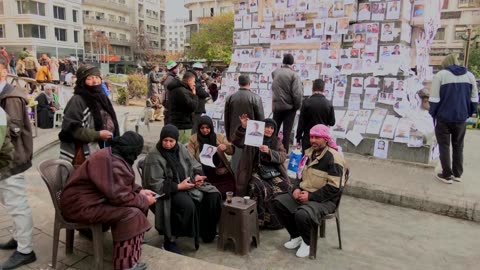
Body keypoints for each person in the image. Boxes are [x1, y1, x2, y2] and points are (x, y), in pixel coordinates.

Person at [60, 131, 154, 270]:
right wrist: (144, 200)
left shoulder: (111, 153)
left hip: (84, 200)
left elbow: (120, 184)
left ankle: (132, 248)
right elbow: (120, 197)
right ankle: (125, 265)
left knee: (135, 208)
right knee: (131, 214)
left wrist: (139, 191)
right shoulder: (113, 162)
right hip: (81, 206)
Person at [143, 125, 222, 254]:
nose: (168, 144)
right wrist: (179, 186)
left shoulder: (180, 148)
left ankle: (205, 232)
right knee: (187, 206)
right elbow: (155, 185)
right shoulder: (153, 155)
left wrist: (196, 176)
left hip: (187, 183)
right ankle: (170, 240)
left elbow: (194, 163)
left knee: (213, 195)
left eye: (171, 141)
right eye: (165, 140)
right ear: (161, 139)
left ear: (176, 140)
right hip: (168, 192)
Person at [272, 124, 347, 258]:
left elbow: (334, 188)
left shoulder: (334, 159)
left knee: (302, 214)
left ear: (326, 139)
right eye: (311, 137)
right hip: (304, 193)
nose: (313, 140)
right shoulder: (308, 154)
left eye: (317, 137)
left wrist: (311, 196)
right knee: (278, 202)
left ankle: (307, 243)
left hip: (325, 200)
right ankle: (296, 236)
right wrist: (296, 189)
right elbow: (299, 176)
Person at [0, 61, 37, 269]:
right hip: (7, 158)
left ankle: (25, 250)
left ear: (5, 72)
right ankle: (18, 238)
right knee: (10, 202)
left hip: (12, 159)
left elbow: (11, 130)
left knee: (17, 204)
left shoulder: (11, 97)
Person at [232, 115, 290, 229]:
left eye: (272, 128)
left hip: (272, 171)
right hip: (254, 171)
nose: (269, 130)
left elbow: (283, 156)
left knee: (285, 185)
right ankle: (259, 220)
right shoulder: (252, 138)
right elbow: (237, 141)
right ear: (261, 128)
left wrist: (269, 152)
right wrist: (244, 128)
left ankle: (277, 220)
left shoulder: (276, 141)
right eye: (267, 127)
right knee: (260, 188)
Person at [429, 54, 478, 183]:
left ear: (445, 63)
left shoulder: (440, 76)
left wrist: (433, 114)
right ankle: (457, 174)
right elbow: (474, 98)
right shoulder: (470, 76)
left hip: (443, 118)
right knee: (458, 145)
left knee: (444, 145)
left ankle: (447, 174)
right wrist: (469, 113)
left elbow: (434, 99)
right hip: (461, 118)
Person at [58, 65, 119, 167]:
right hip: (85, 155)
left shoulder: (102, 97)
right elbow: (71, 130)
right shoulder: (77, 100)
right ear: (82, 82)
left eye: (97, 77)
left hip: (105, 148)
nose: (95, 81)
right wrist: (97, 135)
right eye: (89, 79)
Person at [187, 116, 236, 199]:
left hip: (219, 170)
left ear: (211, 127)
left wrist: (225, 147)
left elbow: (231, 151)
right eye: (202, 128)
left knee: (230, 188)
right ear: (199, 128)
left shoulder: (219, 137)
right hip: (202, 171)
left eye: (207, 127)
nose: (205, 130)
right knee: (209, 193)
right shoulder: (193, 139)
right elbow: (189, 157)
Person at [225, 75, 264, 174]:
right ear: (249, 83)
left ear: (238, 83)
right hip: (252, 137)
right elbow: (260, 119)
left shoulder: (230, 98)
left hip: (235, 135)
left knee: (236, 162)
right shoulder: (256, 98)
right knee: (249, 164)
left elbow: (227, 118)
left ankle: (235, 181)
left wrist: (228, 135)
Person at [271, 54, 303, 152]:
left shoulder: (275, 72)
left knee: (274, 130)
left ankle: (271, 149)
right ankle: (284, 152)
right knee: (287, 131)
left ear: (283, 61)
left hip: (277, 106)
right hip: (289, 108)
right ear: (292, 62)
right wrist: (297, 107)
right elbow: (297, 93)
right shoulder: (294, 75)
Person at [296, 79, 335, 152]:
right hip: (322, 139)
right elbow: (332, 122)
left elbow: (301, 122)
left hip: (308, 137)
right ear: (323, 89)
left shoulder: (306, 103)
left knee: (306, 160)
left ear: (312, 89)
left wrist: (298, 137)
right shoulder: (328, 104)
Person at [167, 71, 199, 144]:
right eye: (193, 81)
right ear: (188, 80)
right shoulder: (181, 91)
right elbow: (193, 106)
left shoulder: (179, 89)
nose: (194, 84)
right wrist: (194, 95)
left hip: (179, 123)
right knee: (183, 148)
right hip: (183, 125)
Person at [190, 62, 210, 134]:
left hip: (196, 106)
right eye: (200, 70)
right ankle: (193, 143)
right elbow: (201, 92)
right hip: (197, 108)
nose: (201, 72)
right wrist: (207, 93)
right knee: (195, 127)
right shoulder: (194, 80)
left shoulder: (194, 79)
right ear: (196, 70)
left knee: (195, 126)